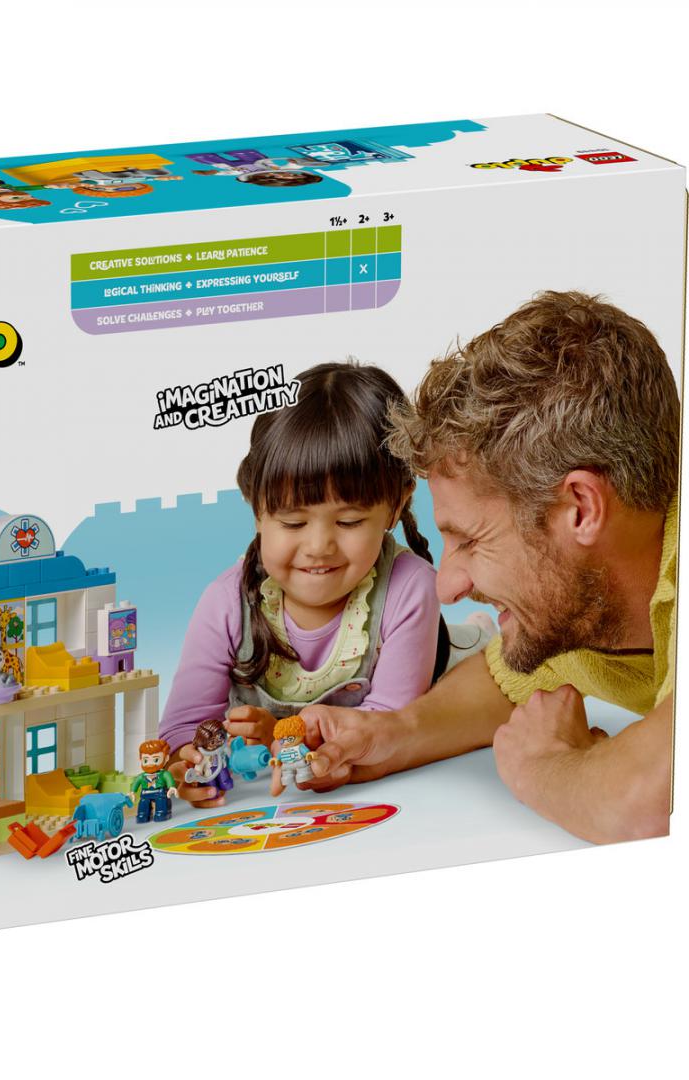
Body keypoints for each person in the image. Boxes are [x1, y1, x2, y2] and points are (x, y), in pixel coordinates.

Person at [272, 292, 677, 844]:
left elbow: (650, 805)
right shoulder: (584, 590)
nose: (446, 586)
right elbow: (505, 676)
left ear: (581, 509)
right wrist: (392, 733)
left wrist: (545, 764)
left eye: (469, 540)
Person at [160, 362, 449, 808]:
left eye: (349, 521)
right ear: (257, 510)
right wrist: (190, 762)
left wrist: (279, 736)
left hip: (437, 672)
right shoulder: (226, 603)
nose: (318, 547)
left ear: (396, 507)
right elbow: (184, 727)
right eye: (293, 522)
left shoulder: (409, 590)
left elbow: (386, 729)